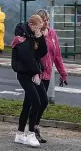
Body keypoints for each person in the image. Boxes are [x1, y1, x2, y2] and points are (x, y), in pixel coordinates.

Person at [28, 9, 68, 143]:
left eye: (47, 20)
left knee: (37, 103)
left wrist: (63, 72)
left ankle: (32, 128)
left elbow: (57, 55)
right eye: (43, 20)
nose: (46, 22)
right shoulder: (35, 35)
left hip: (47, 74)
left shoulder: (52, 33)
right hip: (37, 73)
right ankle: (31, 130)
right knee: (40, 102)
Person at [11, 14, 48, 148]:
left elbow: (42, 53)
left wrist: (40, 37)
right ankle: (30, 133)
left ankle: (20, 134)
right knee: (36, 102)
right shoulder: (21, 38)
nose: (39, 29)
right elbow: (28, 58)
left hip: (33, 73)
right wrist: (36, 73)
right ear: (31, 25)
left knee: (36, 102)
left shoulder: (33, 36)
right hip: (25, 73)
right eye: (37, 27)